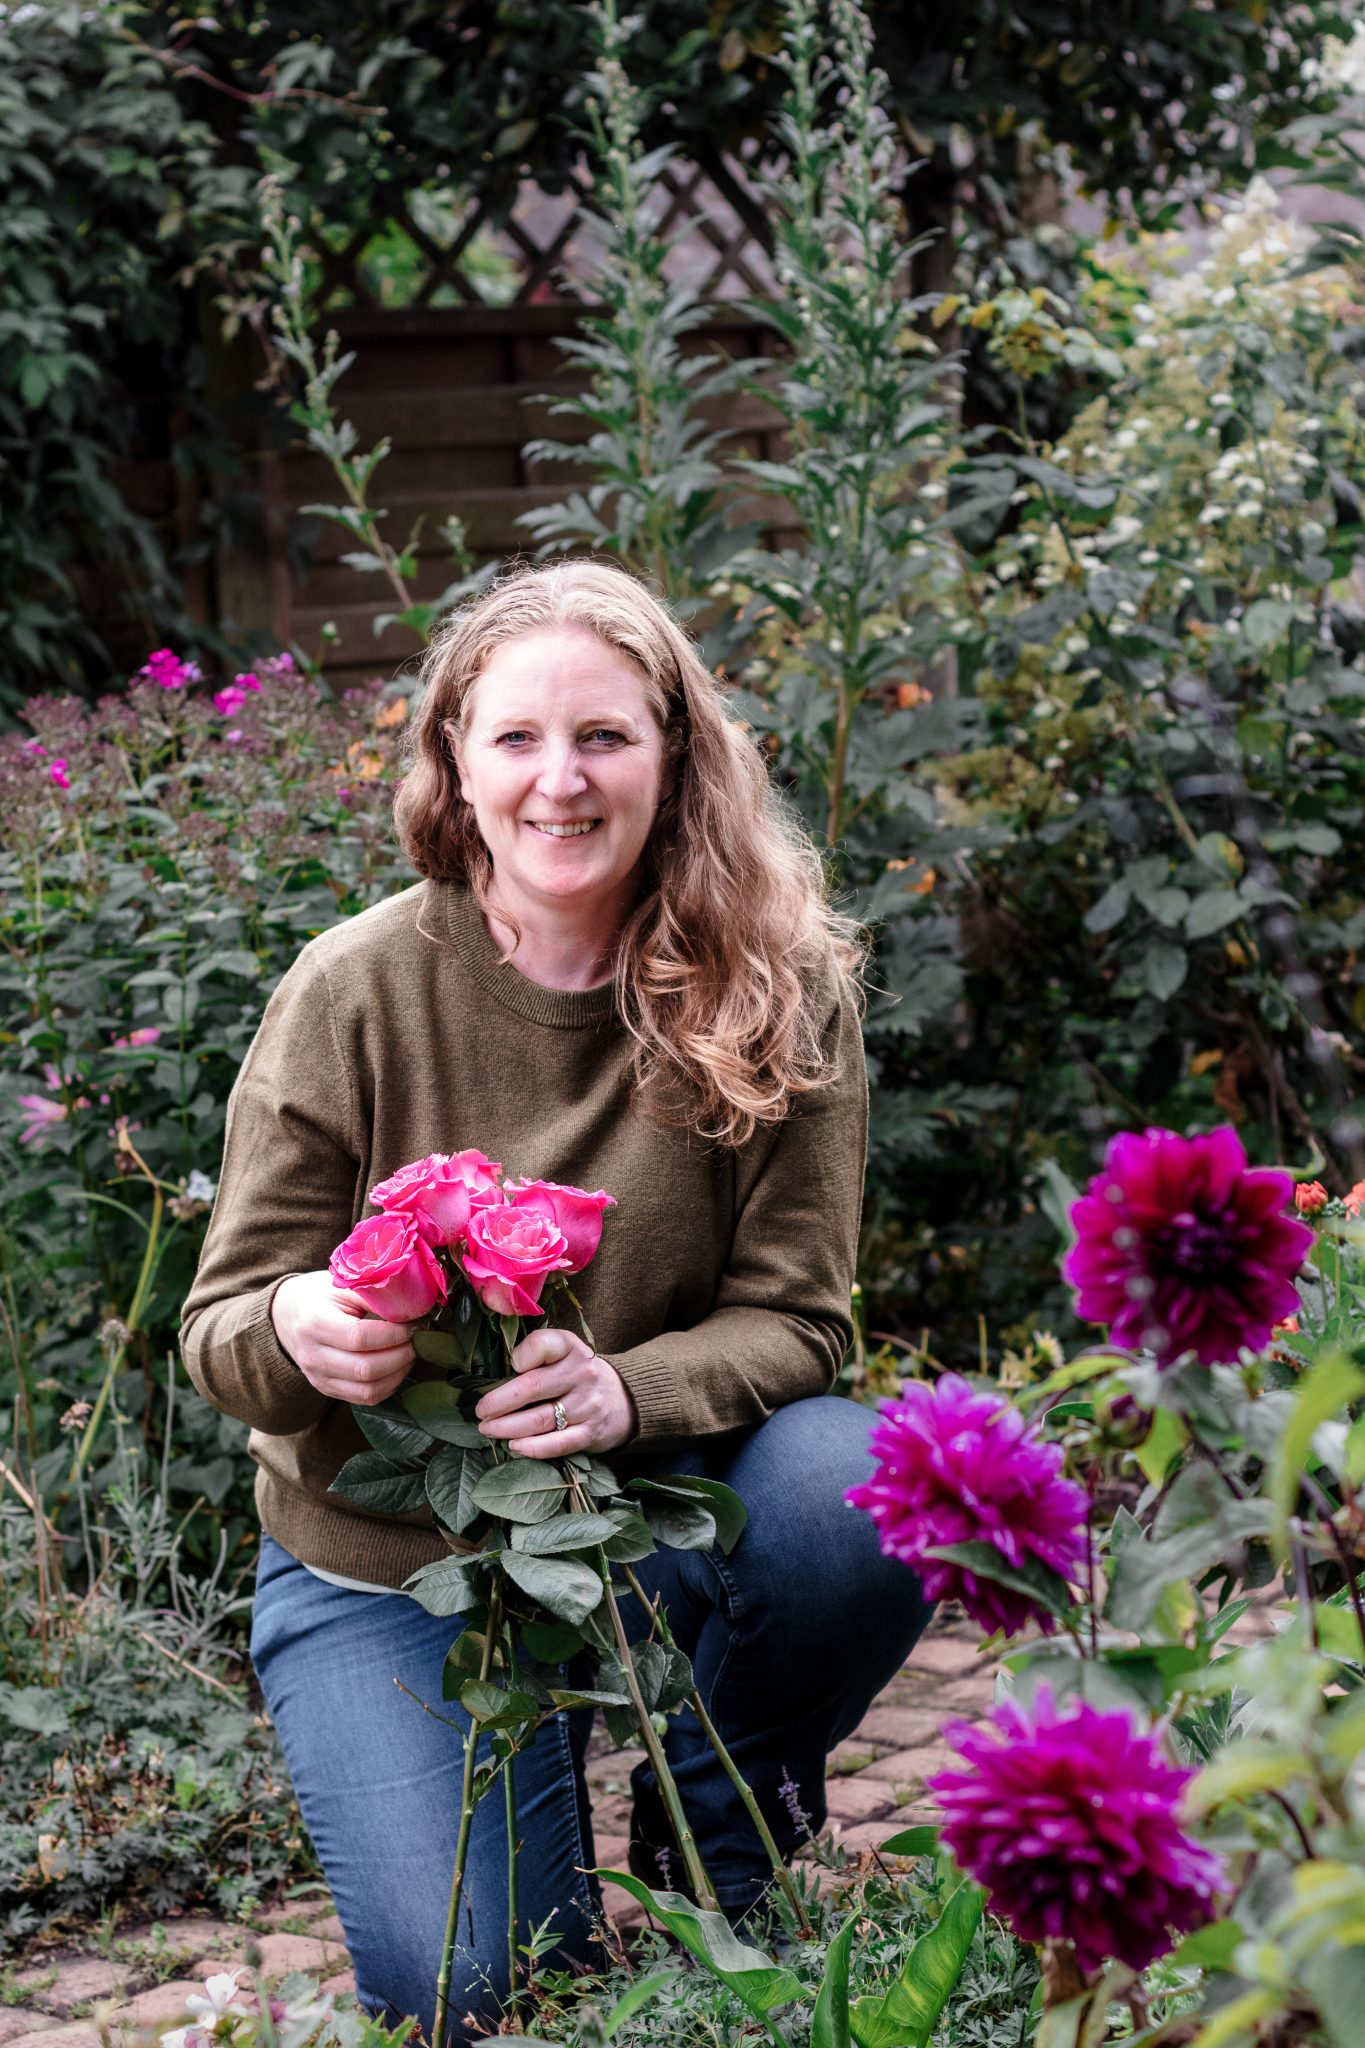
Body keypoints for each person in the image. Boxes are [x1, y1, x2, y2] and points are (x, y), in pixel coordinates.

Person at [180, 560, 930, 2043]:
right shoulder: (352, 994)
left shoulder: (769, 987)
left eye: (603, 737)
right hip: (395, 1564)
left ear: (673, 754)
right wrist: (298, 1328)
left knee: (863, 1487)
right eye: (515, 738)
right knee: (484, 1990)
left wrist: (626, 1391)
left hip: (656, 1516)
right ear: (455, 762)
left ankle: (715, 1825)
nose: (559, 781)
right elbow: (219, 1331)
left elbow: (801, 1319)